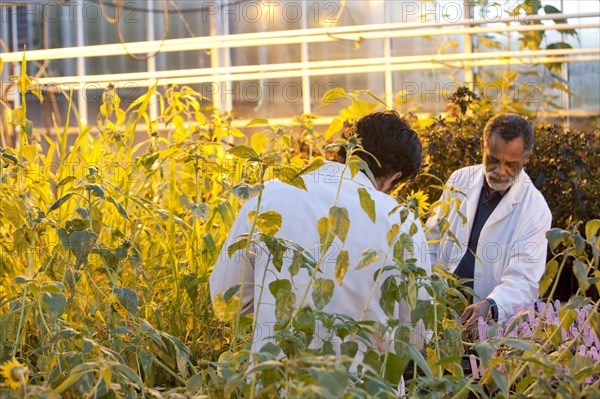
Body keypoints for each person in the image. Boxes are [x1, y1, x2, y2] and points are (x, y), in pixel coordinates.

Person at [210, 110, 431, 358]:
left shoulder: (268, 196)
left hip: (275, 379)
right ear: (395, 177)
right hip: (366, 384)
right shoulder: (401, 222)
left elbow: (226, 300)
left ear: (347, 149)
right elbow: (416, 333)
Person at [426, 113, 551, 336]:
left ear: (527, 158)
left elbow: (524, 280)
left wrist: (491, 305)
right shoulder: (459, 179)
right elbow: (432, 240)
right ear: (483, 146)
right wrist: (428, 289)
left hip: (488, 328)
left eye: (510, 164)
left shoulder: (535, 210)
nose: (500, 170)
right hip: (438, 315)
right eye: (493, 159)